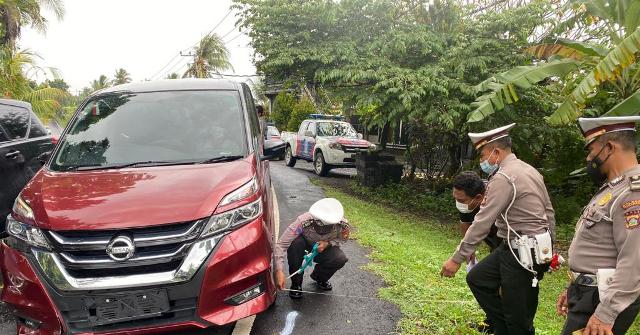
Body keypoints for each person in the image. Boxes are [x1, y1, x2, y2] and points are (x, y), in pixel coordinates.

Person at [441, 123, 556, 335]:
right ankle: (503, 328)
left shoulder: (504, 178)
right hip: (514, 247)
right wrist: (551, 248)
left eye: (483, 154)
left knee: (518, 316)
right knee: (478, 278)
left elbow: (483, 222)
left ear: (496, 152)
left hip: (522, 252)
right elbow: (549, 213)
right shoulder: (529, 170)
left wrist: (456, 259)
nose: (482, 160)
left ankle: (511, 329)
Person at [557, 116, 640, 335]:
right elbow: (597, 248)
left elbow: (634, 261)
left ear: (609, 147)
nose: (589, 157)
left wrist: (606, 314)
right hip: (589, 293)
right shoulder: (613, 189)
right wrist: (574, 286)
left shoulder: (633, 192)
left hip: (603, 298)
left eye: (591, 149)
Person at [452, 171, 501, 333]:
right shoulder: (466, 201)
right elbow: (465, 221)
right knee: (482, 280)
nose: (458, 203)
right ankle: (491, 323)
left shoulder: (496, 200)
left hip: (509, 243)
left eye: (461, 200)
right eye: (456, 198)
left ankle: (501, 325)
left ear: (479, 198)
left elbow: (481, 226)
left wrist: (457, 258)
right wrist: (468, 248)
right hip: (494, 243)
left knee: (499, 284)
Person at [274, 198, 350, 299]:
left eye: (326, 227)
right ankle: (296, 284)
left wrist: (328, 243)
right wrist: (279, 270)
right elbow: (281, 245)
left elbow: (342, 240)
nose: (322, 230)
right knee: (295, 244)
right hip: (304, 246)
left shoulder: (342, 225)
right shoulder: (303, 221)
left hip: (324, 249)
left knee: (340, 258)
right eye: (318, 225)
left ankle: (319, 277)